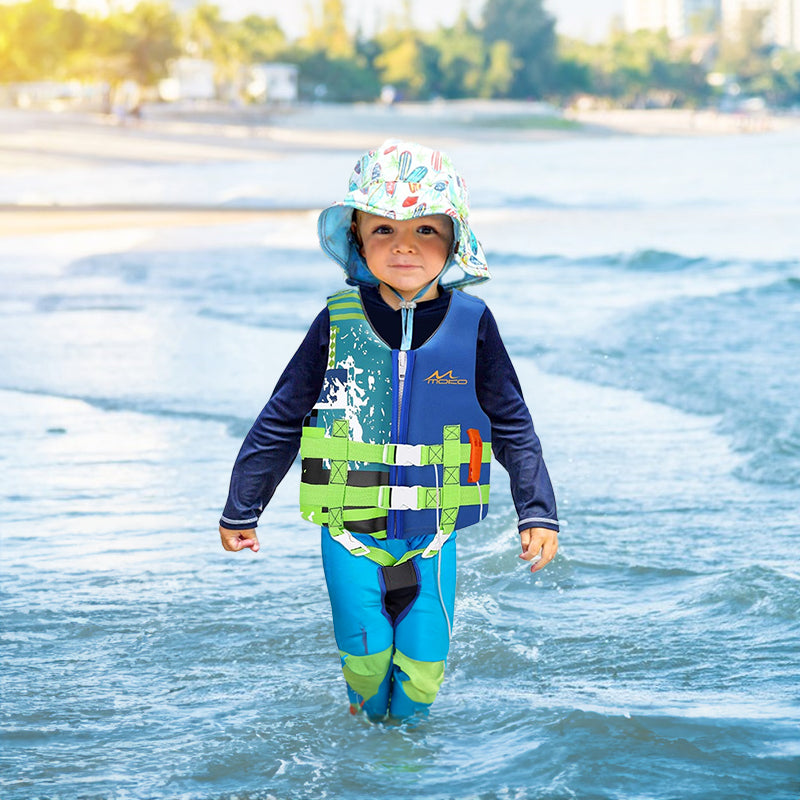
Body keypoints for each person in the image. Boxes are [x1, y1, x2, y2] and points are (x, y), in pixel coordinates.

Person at [219, 140, 559, 722]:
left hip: (434, 536)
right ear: (357, 239)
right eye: (384, 230)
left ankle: (404, 774)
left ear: (454, 241)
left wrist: (538, 511)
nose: (404, 245)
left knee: (423, 678)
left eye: (426, 230)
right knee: (369, 668)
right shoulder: (336, 320)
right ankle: (364, 740)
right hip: (349, 533)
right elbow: (282, 418)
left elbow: (513, 425)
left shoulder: (474, 325)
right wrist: (241, 508)